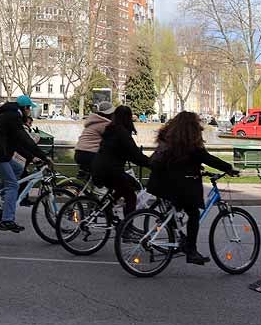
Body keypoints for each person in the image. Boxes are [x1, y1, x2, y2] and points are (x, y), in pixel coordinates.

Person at [146, 112, 239, 264]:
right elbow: (207, 158)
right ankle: (191, 251)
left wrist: (195, 167)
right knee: (193, 214)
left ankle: (179, 239)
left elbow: (179, 162)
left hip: (159, 183)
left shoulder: (169, 139)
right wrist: (228, 168)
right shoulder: (190, 143)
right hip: (176, 185)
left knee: (176, 210)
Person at [0, 95, 49, 233]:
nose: (30, 112)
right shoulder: (13, 118)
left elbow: (17, 144)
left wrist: (33, 157)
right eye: (29, 109)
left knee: (18, 169)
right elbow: (25, 140)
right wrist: (43, 156)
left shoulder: (9, 115)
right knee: (13, 184)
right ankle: (7, 220)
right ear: (25, 108)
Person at [93, 105, 150, 217]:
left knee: (129, 185)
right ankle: (127, 227)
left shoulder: (111, 129)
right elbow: (135, 154)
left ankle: (108, 206)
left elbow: (126, 153)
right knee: (131, 196)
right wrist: (151, 164)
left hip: (100, 167)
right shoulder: (122, 133)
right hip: (111, 171)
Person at [74, 101, 113, 177]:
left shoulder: (93, 122)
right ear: (109, 114)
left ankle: (88, 186)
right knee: (110, 169)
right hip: (90, 154)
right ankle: (100, 187)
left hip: (80, 152)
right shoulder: (105, 124)